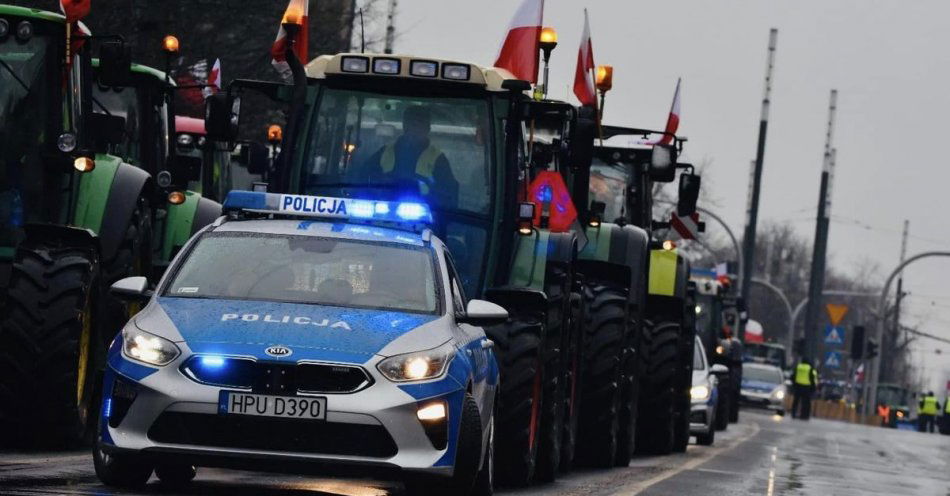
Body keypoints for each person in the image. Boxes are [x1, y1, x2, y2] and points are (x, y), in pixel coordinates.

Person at [360, 105, 459, 208]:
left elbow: (449, 196)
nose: (415, 129)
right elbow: (362, 178)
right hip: (382, 212)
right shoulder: (385, 152)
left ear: (427, 128)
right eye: (412, 124)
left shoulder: (438, 159)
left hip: (425, 218)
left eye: (419, 124)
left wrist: (433, 209)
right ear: (404, 126)